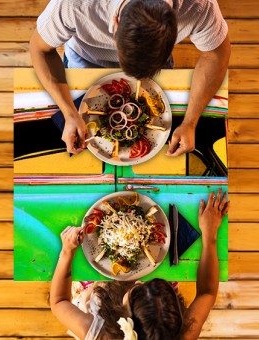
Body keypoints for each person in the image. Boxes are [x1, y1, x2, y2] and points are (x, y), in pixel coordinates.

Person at [30, 0, 231, 156]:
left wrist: (190, 123)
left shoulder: (199, 6)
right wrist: (69, 113)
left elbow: (216, 55)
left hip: (158, 70)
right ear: (115, 22)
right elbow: (39, 49)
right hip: (84, 61)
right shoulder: (73, 5)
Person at [50, 189, 230, 339]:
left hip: (99, 295)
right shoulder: (181, 335)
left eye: (137, 289)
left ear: (125, 319)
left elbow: (59, 302)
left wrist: (67, 251)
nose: (140, 281)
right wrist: (210, 235)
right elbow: (207, 293)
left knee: (85, 288)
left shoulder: (100, 334)